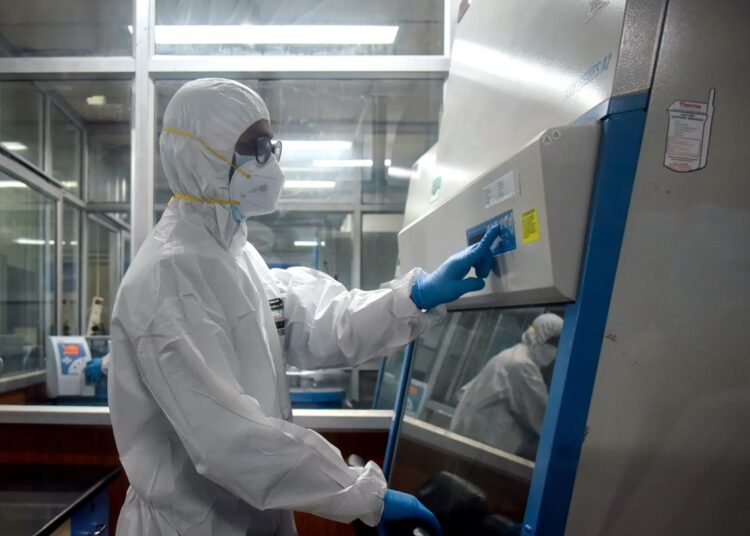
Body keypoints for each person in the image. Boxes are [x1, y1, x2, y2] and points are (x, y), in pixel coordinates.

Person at [108, 78, 501, 536]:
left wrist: (415, 295)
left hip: (251, 516)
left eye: (270, 144)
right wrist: (364, 495)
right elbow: (228, 440)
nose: (269, 161)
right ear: (200, 156)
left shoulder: (234, 258)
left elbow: (319, 322)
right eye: (253, 146)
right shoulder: (169, 276)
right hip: (193, 526)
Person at [450, 313, 563, 459]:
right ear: (541, 336)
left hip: (471, 445)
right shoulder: (522, 365)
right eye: (554, 343)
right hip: (483, 451)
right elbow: (543, 417)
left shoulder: (511, 355)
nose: (556, 350)